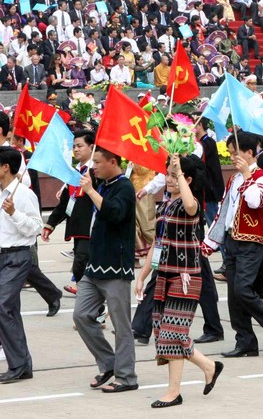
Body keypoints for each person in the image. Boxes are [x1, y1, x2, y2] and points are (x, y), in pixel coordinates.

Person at [134, 154, 223, 408]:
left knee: (173, 333)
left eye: (173, 176)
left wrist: (179, 172)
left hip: (185, 277)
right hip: (164, 274)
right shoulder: (164, 206)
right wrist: (142, 276)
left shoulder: (188, 203)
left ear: (187, 178)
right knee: (165, 331)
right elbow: (157, 244)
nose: (169, 180)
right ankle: (209, 366)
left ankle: (174, 392)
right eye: (169, 175)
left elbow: (192, 205)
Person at [202, 133, 263, 357]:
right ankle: (245, 341)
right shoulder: (234, 179)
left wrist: (248, 174)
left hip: (252, 241)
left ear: (249, 153)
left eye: (235, 153)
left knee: (243, 289)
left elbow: (255, 201)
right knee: (233, 294)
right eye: (230, 153)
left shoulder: (261, 177)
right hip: (231, 240)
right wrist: (210, 242)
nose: (232, 157)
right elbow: (224, 212)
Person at [73, 146, 139, 392]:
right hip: (94, 265)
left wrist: (90, 190)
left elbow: (115, 214)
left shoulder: (124, 187)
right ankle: (109, 363)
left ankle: (127, 376)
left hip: (115, 267)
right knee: (81, 316)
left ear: (113, 161)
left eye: (98, 162)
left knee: (121, 325)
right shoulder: (102, 184)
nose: (94, 167)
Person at [0, 146, 42, 383]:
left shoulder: (23, 194)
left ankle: (17, 365)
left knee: (3, 306)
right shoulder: (1, 192)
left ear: (5, 167)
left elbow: (35, 228)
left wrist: (15, 213)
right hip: (2, 256)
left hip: (17, 257)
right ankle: (22, 365)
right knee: (9, 309)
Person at [42, 130, 95, 295]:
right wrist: (50, 224)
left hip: (93, 228)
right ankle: (91, 306)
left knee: (80, 263)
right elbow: (65, 203)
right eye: (74, 146)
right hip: (77, 228)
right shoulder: (74, 173)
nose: (76, 150)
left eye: (80, 146)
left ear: (92, 147)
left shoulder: (97, 172)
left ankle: (93, 306)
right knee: (81, 266)